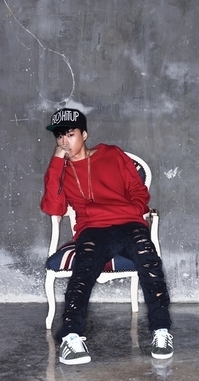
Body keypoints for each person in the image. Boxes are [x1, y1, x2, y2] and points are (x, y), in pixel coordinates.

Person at [40, 108, 173, 365]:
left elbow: (138, 190)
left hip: (129, 224)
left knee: (149, 261)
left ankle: (161, 331)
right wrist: (56, 163)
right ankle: (70, 337)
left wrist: (131, 211)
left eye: (70, 134)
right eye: (60, 136)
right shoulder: (61, 169)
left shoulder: (112, 154)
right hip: (92, 229)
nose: (65, 142)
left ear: (84, 135)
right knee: (84, 270)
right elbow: (54, 207)